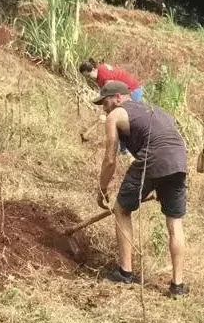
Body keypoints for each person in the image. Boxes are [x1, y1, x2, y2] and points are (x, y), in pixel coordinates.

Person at [95, 80, 188, 297]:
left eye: (106, 101)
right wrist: (158, 184)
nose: (104, 107)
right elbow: (172, 141)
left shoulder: (116, 115)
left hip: (154, 158)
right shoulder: (157, 110)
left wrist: (102, 188)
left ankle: (125, 272)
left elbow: (110, 159)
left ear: (118, 97)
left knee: (121, 209)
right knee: (175, 222)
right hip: (179, 161)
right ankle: (178, 286)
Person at [79, 59, 143, 102]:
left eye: (88, 75)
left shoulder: (103, 74)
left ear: (93, 69)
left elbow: (111, 92)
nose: (89, 78)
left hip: (132, 90)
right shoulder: (101, 69)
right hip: (132, 89)